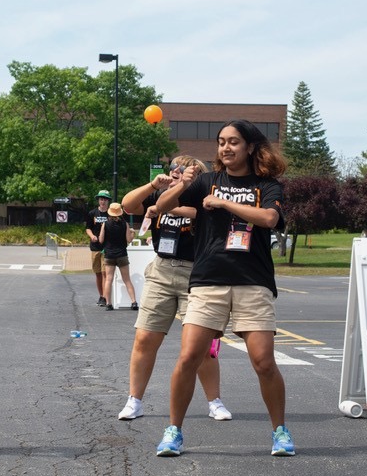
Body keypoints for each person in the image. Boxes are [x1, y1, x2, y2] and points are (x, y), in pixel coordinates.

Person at [151, 120, 293, 457]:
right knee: (189, 358)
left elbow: (269, 219)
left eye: (233, 142)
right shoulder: (205, 181)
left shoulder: (267, 185)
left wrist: (225, 204)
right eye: (220, 142)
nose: (225, 148)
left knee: (264, 363)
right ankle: (174, 431)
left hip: (252, 281)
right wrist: (182, 184)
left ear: (250, 147)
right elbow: (163, 206)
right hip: (208, 281)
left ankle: (280, 432)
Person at [117, 156, 228, 422]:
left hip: (196, 273)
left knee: (199, 347)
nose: (175, 173)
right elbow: (127, 204)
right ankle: (135, 400)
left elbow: (195, 213)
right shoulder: (160, 192)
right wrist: (153, 187)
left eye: (183, 171)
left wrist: (164, 207)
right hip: (162, 270)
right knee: (145, 338)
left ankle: (215, 401)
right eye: (173, 170)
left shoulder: (202, 196)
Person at [99, 202, 138, 311]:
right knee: (127, 280)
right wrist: (133, 233)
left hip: (109, 255)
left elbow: (101, 240)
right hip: (122, 254)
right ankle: (134, 302)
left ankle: (108, 303)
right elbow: (129, 240)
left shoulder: (105, 224)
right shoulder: (124, 224)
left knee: (108, 280)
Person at [85, 190, 112, 306]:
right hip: (95, 247)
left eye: (105, 199)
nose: (103, 201)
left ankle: (106, 297)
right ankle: (101, 296)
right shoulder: (92, 213)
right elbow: (88, 228)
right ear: (98, 200)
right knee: (98, 273)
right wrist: (92, 236)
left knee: (105, 272)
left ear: (108, 201)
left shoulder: (111, 214)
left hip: (107, 247)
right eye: (101, 199)